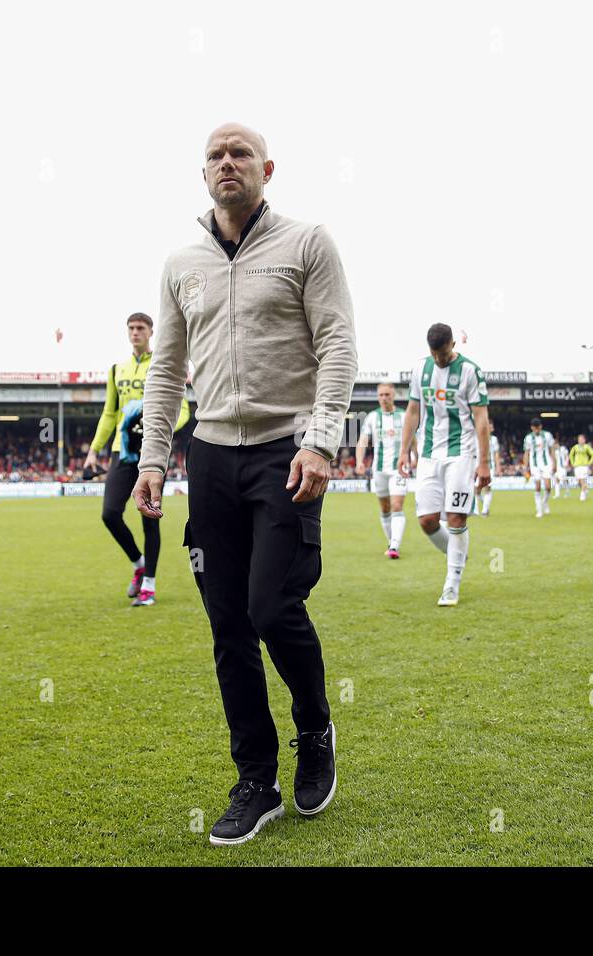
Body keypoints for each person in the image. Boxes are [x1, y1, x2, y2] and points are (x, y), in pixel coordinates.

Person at [133, 123, 357, 845]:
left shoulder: (307, 243)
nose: (226, 164)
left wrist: (321, 440)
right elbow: (166, 372)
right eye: (213, 156)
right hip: (212, 457)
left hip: (285, 452)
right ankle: (255, 778)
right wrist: (153, 460)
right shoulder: (180, 263)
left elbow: (338, 343)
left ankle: (315, 726)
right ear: (202, 175)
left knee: (270, 606)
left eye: (239, 154)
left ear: (266, 168)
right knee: (227, 624)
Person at [85, 312, 190, 606]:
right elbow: (109, 413)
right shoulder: (117, 369)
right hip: (122, 451)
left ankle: (150, 586)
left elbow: (182, 409)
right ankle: (138, 565)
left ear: (151, 332)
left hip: (152, 452)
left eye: (140, 328)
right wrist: (94, 449)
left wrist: (158, 427)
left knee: (149, 519)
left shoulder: (163, 365)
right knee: (109, 514)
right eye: (131, 328)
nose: (135, 332)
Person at [397, 323, 491, 606]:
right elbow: (413, 411)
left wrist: (484, 463)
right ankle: (456, 553)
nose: (438, 359)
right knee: (426, 520)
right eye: (434, 353)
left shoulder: (470, 371)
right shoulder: (419, 370)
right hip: (428, 454)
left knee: (455, 518)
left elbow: (481, 419)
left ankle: (452, 583)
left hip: (461, 452)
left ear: (453, 344)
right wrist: (403, 451)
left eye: (443, 352)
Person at [355, 381, 409, 555]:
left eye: (387, 394)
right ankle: (391, 541)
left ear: (394, 395)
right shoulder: (372, 417)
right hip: (378, 469)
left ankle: (395, 546)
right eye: (381, 395)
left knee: (397, 505)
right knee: (385, 508)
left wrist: (414, 456)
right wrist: (359, 461)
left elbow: (413, 439)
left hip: (399, 468)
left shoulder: (404, 415)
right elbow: (362, 441)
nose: (384, 398)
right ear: (377, 397)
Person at [522, 418, 554, 517]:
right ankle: (539, 509)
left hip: (546, 463)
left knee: (548, 487)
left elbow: (551, 450)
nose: (536, 429)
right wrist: (525, 467)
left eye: (538, 427)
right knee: (538, 486)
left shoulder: (547, 435)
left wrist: (554, 463)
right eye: (534, 427)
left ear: (541, 426)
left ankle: (544, 502)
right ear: (532, 427)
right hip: (534, 465)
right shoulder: (528, 438)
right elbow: (526, 453)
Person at [476, 420, 500, 516]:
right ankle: (479, 508)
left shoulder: (494, 439)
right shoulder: (476, 438)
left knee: (487, 487)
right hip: (477, 466)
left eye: (492, 427)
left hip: (490, 466)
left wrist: (498, 466)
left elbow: (496, 454)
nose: (492, 428)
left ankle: (485, 510)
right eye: (490, 427)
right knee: (476, 490)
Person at [568, 434, 593, 502]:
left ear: (584, 440)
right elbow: (571, 455)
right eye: (579, 439)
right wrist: (572, 463)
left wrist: (589, 462)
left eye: (582, 439)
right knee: (579, 481)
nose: (580, 440)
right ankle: (585, 489)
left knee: (582, 480)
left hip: (584, 466)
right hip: (577, 466)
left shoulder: (587, 447)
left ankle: (582, 494)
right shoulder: (575, 447)